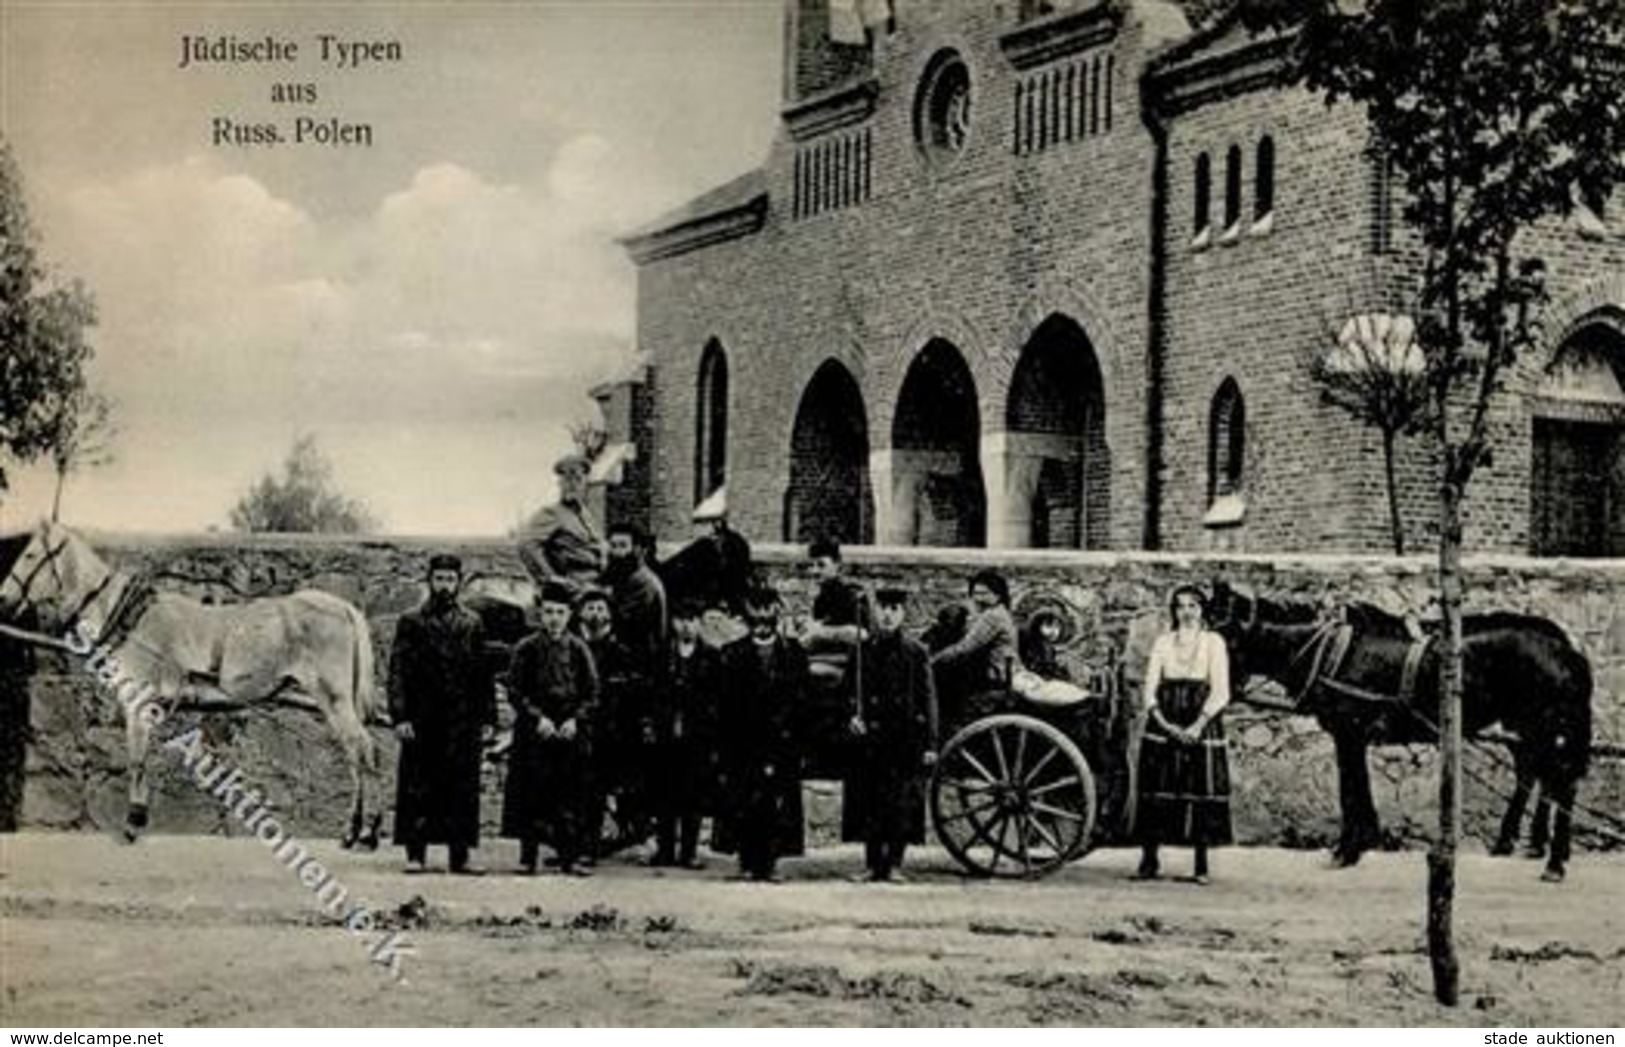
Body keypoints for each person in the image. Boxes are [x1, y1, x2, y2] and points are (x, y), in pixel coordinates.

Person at [389, 553, 497, 874]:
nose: (445, 586)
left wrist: (488, 718)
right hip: (422, 718)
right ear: (430, 581)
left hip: (461, 719)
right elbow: (398, 671)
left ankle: (460, 855)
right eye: (439, 579)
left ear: (459, 583)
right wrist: (400, 716)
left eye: (451, 580)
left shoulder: (472, 623)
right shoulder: (411, 621)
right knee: (418, 785)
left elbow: (483, 675)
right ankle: (415, 854)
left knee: (462, 786)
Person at [1133, 583, 1234, 884]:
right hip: (1165, 720)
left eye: (1192, 606)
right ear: (1173, 611)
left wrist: (1197, 726)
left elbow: (1221, 691)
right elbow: (1149, 690)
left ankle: (1201, 865)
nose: (1186, 612)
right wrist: (1164, 724)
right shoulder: (1164, 642)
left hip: (1200, 720)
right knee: (1157, 788)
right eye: (1180, 606)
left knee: (1199, 789)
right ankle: (1149, 860)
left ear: (1202, 610)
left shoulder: (1214, 642)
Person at [501, 579, 600, 876]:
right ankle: (527, 858)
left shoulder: (579, 648)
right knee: (531, 792)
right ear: (540, 615)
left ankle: (569, 857)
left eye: (560, 612)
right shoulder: (526, 648)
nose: (554, 619)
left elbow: (593, 691)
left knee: (569, 794)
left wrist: (575, 720)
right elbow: (515, 690)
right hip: (535, 731)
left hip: (569, 730)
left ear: (570, 615)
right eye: (548, 612)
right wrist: (537, 718)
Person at [842, 585, 937, 883]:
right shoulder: (861, 651)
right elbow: (847, 694)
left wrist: (931, 742)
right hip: (871, 738)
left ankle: (894, 864)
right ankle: (872, 865)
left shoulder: (916, 652)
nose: (887, 615)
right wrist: (851, 717)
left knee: (900, 803)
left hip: (904, 738)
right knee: (869, 800)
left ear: (902, 614)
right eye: (882, 609)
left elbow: (928, 698)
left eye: (894, 610)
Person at [716, 586, 807, 882]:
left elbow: (802, 701)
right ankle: (746, 861)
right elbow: (724, 705)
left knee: (777, 803)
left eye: (769, 615)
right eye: (757, 617)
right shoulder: (731, 654)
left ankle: (771, 862)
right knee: (745, 801)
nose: (763, 623)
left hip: (782, 741)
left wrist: (795, 740)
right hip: (745, 742)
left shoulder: (794, 653)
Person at [575, 586, 649, 855]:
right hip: (578, 728)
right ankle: (576, 844)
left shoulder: (622, 652)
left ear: (610, 616)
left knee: (608, 788)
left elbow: (634, 694)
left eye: (601, 609)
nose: (595, 614)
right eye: (590, 608)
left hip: (613, 732)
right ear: (580, 614)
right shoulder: (573, 648)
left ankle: (607, 840)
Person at [649, 598, 720, 868]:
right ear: (673, 622)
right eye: (681, 619)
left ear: (700, 623)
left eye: (692, 620)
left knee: (693, 795)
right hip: (666, 734)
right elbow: (652, 693)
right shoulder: (662, 654)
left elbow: (717, 698)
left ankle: (688, 852)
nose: (686, 626)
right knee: (664, 793)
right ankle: (665, 849)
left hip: (697, 735)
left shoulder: (712, 656)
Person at [930, 569, 1020, 720]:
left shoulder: (992, 616)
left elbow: (964, 648)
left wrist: (932, 661)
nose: (978, 598)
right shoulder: (999, 612)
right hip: (1003, 672)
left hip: (996, 677)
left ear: (997, 595)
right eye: (975, 593)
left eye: (984, 593)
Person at [516, 452, 606, 598]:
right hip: (573, 589)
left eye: (577, 479)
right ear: (560, 484)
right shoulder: (551, 513)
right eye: (567, 480)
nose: (572, 485)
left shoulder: (586, 516)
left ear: (585, 484)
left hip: (595, 585)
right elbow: (525, 544)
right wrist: (551, 578)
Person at [604, 521, 667, 681]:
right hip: (631, 660)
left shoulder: (643, 582)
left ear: (638, 550)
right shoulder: (628, 576)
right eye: (613, 545)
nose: (617, 552)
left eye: (623, 546)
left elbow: (619, 619)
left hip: (640, 666)